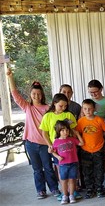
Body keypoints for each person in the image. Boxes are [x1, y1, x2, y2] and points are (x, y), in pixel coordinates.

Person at [6, 68, 60, 199]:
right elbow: (15, 94)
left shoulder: (48, 109)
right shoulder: (27, 107)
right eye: (34, 94)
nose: (36, 96)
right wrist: (10, 77)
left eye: (39, 94)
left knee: (48, 168)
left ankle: (54, 188)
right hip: (30, 144)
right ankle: (40, 190)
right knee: (37, 169)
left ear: (42, 95)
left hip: (45, 144)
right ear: (30, 95)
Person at [76, 99, 105, 198]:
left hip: (98, 149)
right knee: (87, 171)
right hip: (85, 150)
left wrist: (100, 137)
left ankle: (99, 188)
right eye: (85, 109)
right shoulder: (81, 121)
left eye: (90, 109)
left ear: (94, 109)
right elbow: (77, 133)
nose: (88, 111)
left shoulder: (99, 120)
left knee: (99, 170)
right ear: (82, 109)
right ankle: (90, 189)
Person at [87, 79, 105, 194]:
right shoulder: (89, 103)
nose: (94, 95)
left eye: (96, 92)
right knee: (94, 161)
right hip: (92, 137)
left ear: (101, 89)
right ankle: (95, 185)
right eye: (91, 93)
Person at [51, 120, 84, 204]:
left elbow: (81, 143)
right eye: (62, 130)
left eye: (67, 130)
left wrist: (77, 134)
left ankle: (71, 195)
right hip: (63, 165)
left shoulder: (72, 139)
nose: (65, 132)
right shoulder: (56, 141)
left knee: (72, 180)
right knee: (64, 181)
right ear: (58, 131)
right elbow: (52, 151)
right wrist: (58, 157)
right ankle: (65, 196)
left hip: (73, 163)